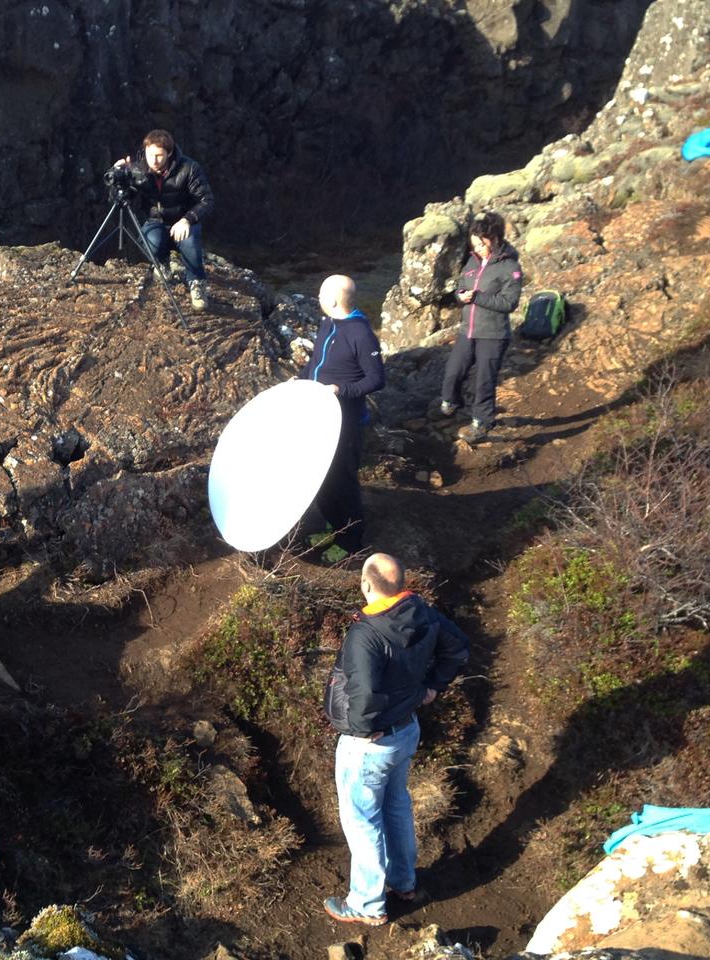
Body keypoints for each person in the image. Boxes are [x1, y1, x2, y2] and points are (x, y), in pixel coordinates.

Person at [323, 553, 470, 926]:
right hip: (406, 731)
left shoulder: (366, 633)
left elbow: (366, 694)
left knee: (363, 822)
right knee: (396, 807)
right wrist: (434, 686)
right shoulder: (422, 612)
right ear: (401, 584)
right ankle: (405, 882)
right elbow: (458, 647)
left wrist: (359, 731)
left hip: (370, 744)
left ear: (366, 585)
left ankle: (367, 904)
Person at [299, 275, 384, 562]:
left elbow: (376, 379)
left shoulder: (360, 332)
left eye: (321, 292)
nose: (318, 297)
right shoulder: (328, 323)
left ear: (333, 300)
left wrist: (341, 390)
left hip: (346, 425)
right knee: (319, 478)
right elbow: (315, 364)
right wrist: (299, 383)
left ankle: (350, 541)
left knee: (342, 482)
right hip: (319, 420)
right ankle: (332, 526)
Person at [436, 211, 523, 443]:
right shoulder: (472, 261)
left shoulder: (510, 267)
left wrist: (477, 297)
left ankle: (482, 421)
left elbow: (509, 303)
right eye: (474, 241)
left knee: (484, 379)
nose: (477, 246)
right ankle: (451, 402)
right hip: (467, 330)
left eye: (481, 241)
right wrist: (460, 295)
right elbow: (461, 286)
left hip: (493, 335)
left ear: (494, 238)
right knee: (454, 371)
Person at [117, 129, 215, 312]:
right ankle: (163, 263)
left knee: (190, 245)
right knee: (150, 241)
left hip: (184, 219)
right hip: (156, 221)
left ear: (169, 153)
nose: (153, 160)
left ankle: (197, 283)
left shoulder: (189, 168)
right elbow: (125, 200)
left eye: (159, 155)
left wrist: (188, 219)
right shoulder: (140, 169)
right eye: (149, 154)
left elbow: (207, 200)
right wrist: (120, 179)